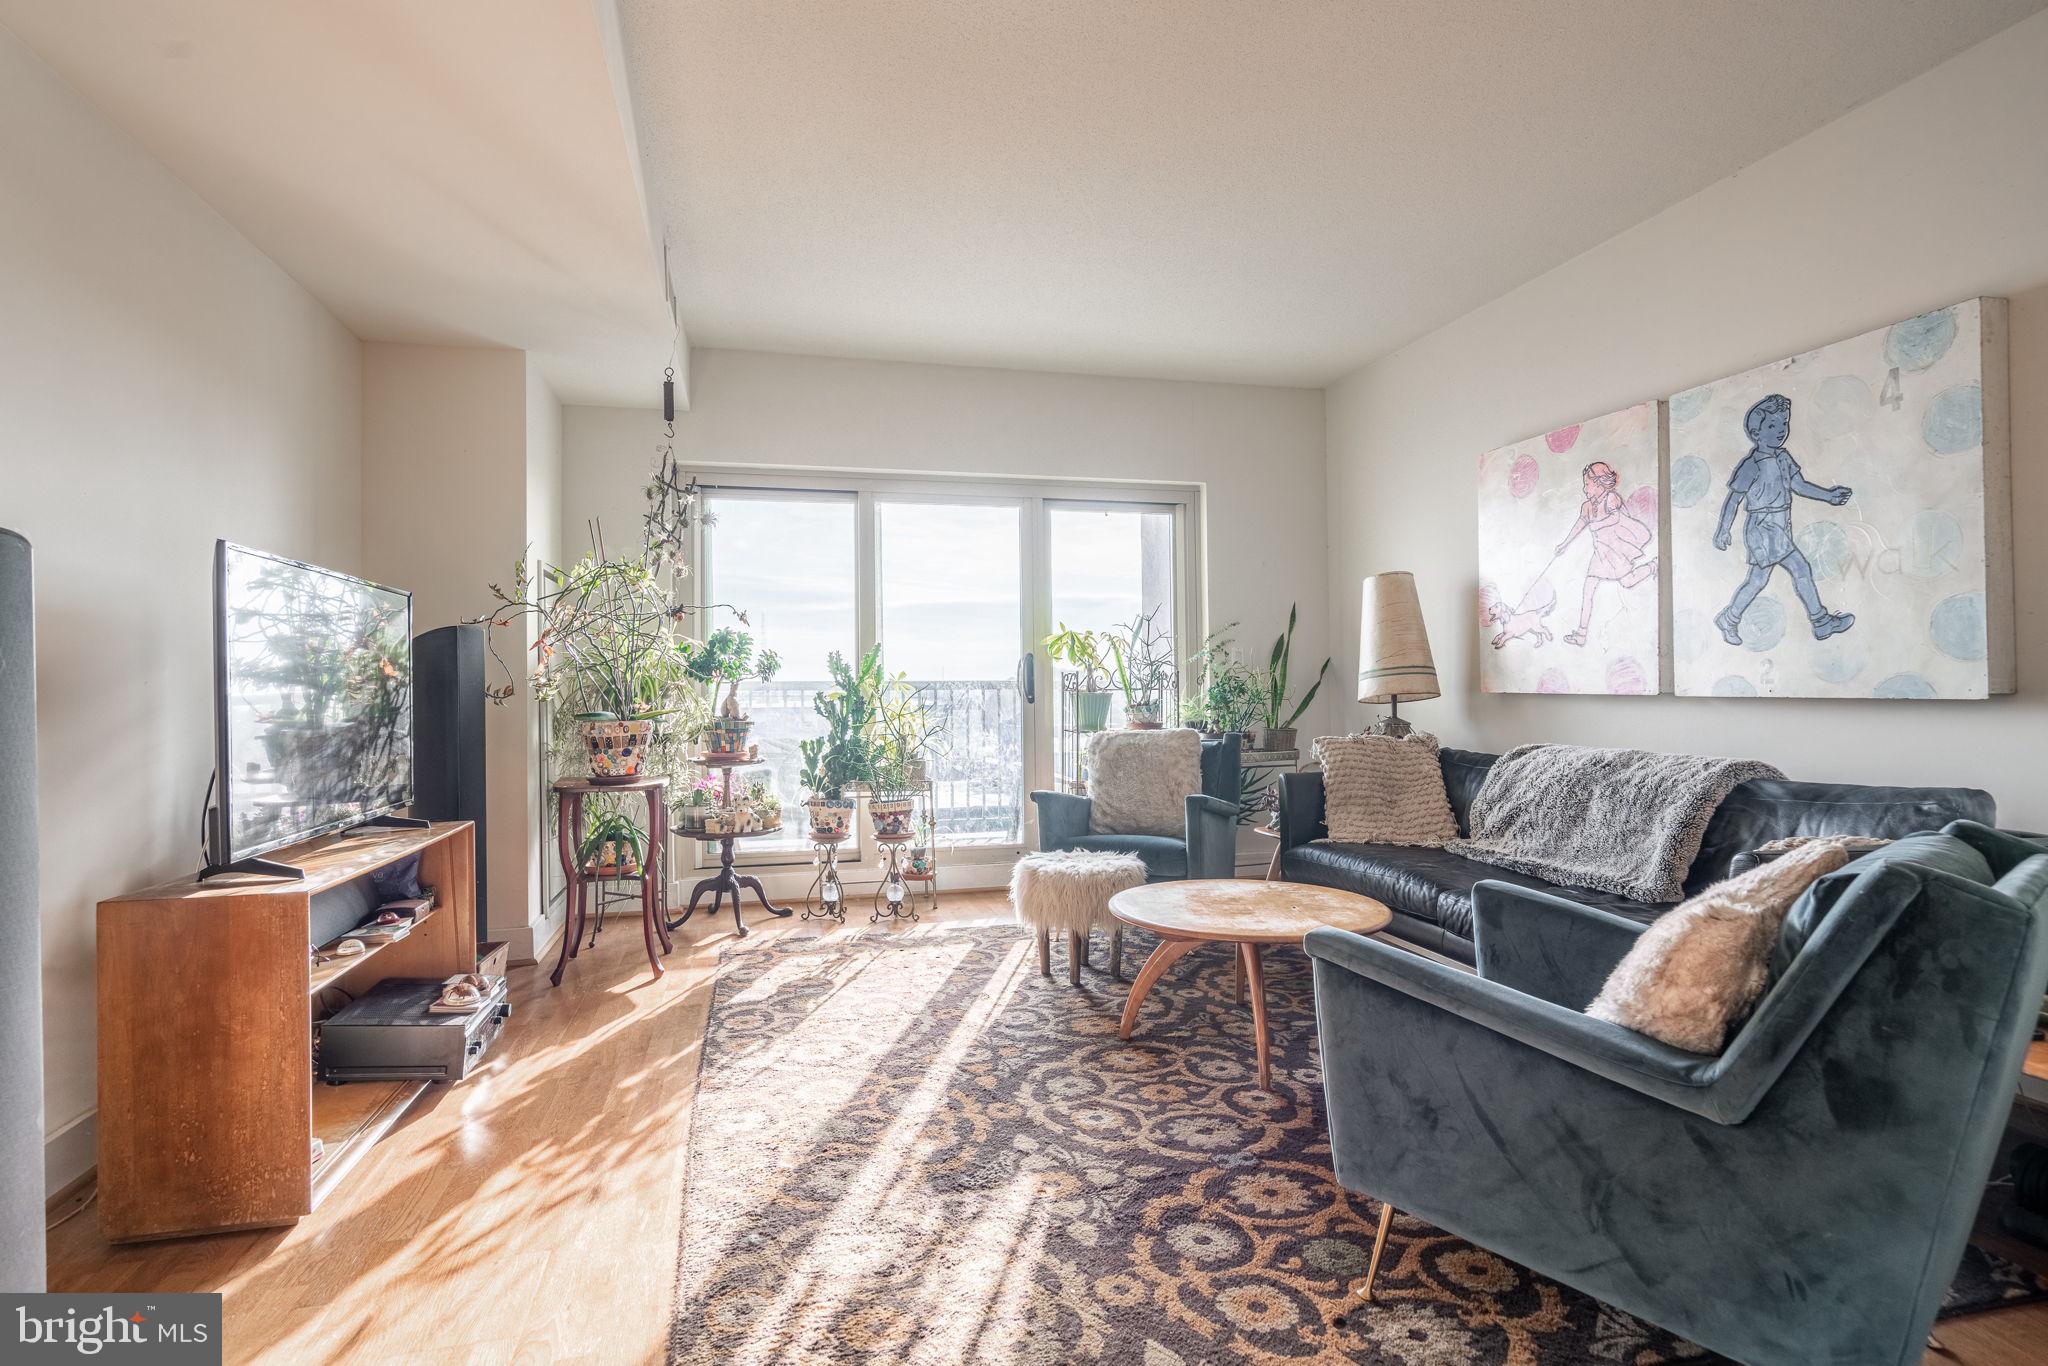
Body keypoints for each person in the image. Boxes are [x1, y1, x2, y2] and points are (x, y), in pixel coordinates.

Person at [1711, 394, 1854, 644]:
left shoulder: (1783, 457)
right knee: (1796, 569)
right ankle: (1820, 622)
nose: (1780, 431)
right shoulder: (1751, 464)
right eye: (1772, 426)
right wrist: (1723, 530)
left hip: (1780, 524)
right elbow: (1733, 500)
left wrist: (1828, 496)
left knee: (1759, 580)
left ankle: (1730, 619)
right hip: (1762, 527)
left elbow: (1799, 486)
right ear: (1756, 433)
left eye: (1783, 424)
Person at [1553, 461, 1655, 647]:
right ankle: (1581, 634)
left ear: (1599, 483)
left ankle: (1653, 566)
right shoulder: (1586, 507)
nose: (1585, 488)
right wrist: (1564, 544)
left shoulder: (1611, 498)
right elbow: (1579, 525)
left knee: (1628, 581)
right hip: (1600, 554)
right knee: (1588, 589)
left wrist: (1597, 524)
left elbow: (1616, 517)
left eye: (1587, 484)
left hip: (1614, 552)